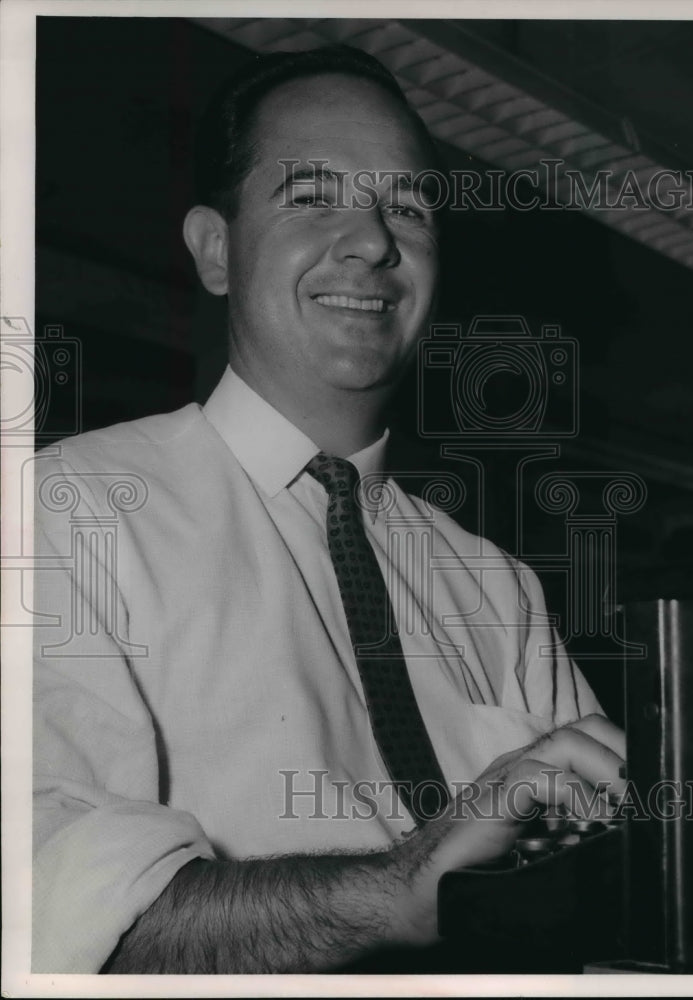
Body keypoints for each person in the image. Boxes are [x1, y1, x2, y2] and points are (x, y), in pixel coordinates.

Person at [32, 45, 626, 974]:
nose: (372, 240)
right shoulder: (64, 515)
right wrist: (403, 887)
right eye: (312, 196)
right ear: (216, 249)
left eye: (410, 206)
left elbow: (595, 899)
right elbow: (54, 915)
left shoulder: (498, 586)